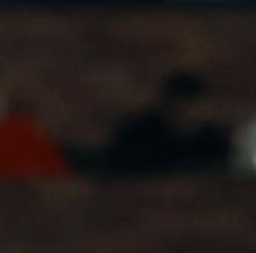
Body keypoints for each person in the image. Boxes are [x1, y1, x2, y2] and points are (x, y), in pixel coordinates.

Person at [97, 70, 230, 175]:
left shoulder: (212, 138)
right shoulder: (139, 134)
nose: (186, 112)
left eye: (192, 106)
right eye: (180, 106)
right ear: (167, 105)